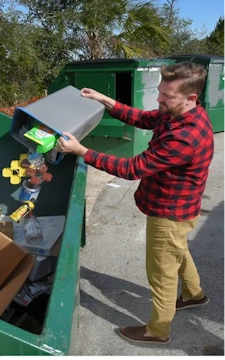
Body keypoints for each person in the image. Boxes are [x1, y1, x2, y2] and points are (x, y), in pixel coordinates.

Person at [55, 61, 214, 345]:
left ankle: (157, 331)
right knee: (178, 250)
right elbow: (143, 118)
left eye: (167, 96)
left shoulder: (184, 137)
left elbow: (132, 168)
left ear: (191, 97)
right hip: (181, 208)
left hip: (169, 212)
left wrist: (81, 151)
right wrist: (103, 100)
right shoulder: (180, 113)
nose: (159, 99)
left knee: (162, 274)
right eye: (160, 92)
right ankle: (194, 295)